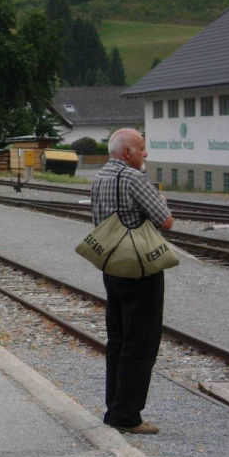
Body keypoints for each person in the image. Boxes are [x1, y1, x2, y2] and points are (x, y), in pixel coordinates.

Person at [92, 128, 173, 434]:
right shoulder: (133, 178)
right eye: (141, 148)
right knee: (141, 340)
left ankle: (114, 406)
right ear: (127, 153)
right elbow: (165, 220)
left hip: (111, 265)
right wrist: (160, 200)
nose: (145, 153)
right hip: (140, 267)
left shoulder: (100, 177)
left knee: (118, 338)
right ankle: (127, 415)